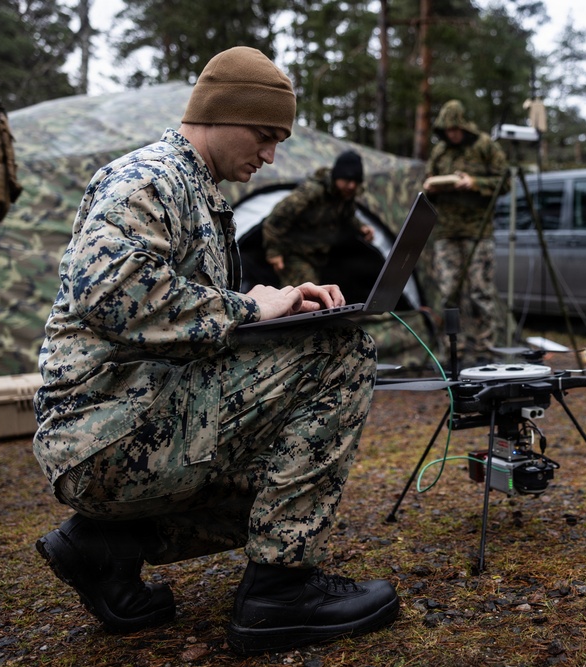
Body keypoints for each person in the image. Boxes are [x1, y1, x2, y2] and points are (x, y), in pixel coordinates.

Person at [31, 47, 399, 656]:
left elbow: (188, 330)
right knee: (343, 350)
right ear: (223, 114)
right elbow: (111, 294)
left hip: (132, 420)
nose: (270, 155)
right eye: (264, 136)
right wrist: (251, 310)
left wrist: (275, 317)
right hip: (105, 431)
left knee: (291, 461)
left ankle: (107, 548)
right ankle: (280, 592)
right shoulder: (150, 179)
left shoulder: (198, 191)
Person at [422, 99, 508, 362]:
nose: (452, 134)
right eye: (448, 130)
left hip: (477, 232)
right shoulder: (440, 152)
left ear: (463, 126)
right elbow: (427, 186)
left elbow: (505, 182)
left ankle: (485, 351)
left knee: (480, 292)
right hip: (447, 233)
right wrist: (431, 188)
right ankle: (453, 351)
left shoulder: (485, 146)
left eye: (455, 129)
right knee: (449, 293)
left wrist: (475, 182)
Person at [261, 149, 374, 286]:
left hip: (320, 256)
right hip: (294, 253)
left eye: (356, 181)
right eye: (347, 180)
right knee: (306, 292)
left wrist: (361, 227)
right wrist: (274, 252)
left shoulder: (345, 196)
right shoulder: (312, 192)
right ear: (337, 176)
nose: (352, 185)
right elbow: (276, 220)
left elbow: (348, 216)